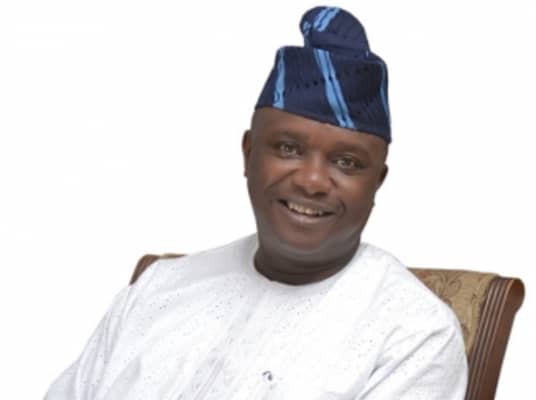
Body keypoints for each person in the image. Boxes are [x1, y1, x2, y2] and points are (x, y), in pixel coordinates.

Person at [46, 6, 467, 399]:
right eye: (288, 148)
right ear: (248, 154)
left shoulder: (413, 335)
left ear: (377, 182)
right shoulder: (160, 288)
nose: (312, 181)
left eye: (347, 162)